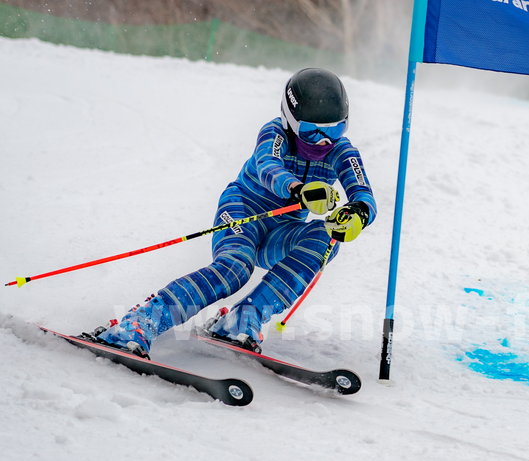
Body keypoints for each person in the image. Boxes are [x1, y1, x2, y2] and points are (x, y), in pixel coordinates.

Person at [91, 67, 375, 357]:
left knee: (326, 237)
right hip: (243, 212)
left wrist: (358, 214)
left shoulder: (342, 152)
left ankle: (242, 319)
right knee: (235, 270)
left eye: (334, 129)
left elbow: (363, 194)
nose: (322, 141)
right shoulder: (275, 133)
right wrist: (297, 189)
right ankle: (139, 322)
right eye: (311, 131)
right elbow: (267, 166)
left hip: (282, 230)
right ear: (290, 121)